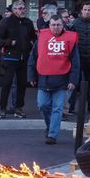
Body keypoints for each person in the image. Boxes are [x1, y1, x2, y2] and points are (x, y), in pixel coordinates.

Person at [28, 15, 79, 144]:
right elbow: (33, 58)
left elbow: (75, 62)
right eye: (53, 25)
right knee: (43, 105)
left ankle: (52, 135)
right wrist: (31, 76)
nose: (55, 27)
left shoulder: (70, 39)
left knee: (57, 108)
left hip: (62, 79)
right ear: (49, 25)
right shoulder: (42, 38)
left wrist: (73, 80)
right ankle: (51, 126)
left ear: (63, 25)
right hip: (44, 78)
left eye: (58, 24)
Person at [0, 0, 37, 119]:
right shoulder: (6, 22)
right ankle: (2, 108)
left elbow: (33, 37)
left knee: (22, 84)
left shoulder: (28, 22)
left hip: (24, 57)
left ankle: (18, 108)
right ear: (13, 10)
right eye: (19, 8)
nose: (22, 10)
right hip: (10, 57)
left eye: (23, 8)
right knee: (7, 83)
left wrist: (32, 44)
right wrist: (9, 42)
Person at [70, 2, 90, 113]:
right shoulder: (74, 24)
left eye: (89, 10)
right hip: (78, 58)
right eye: (85, 10)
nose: (87, 12)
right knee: (74, 83)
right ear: (81, 11)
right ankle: (71, 108)